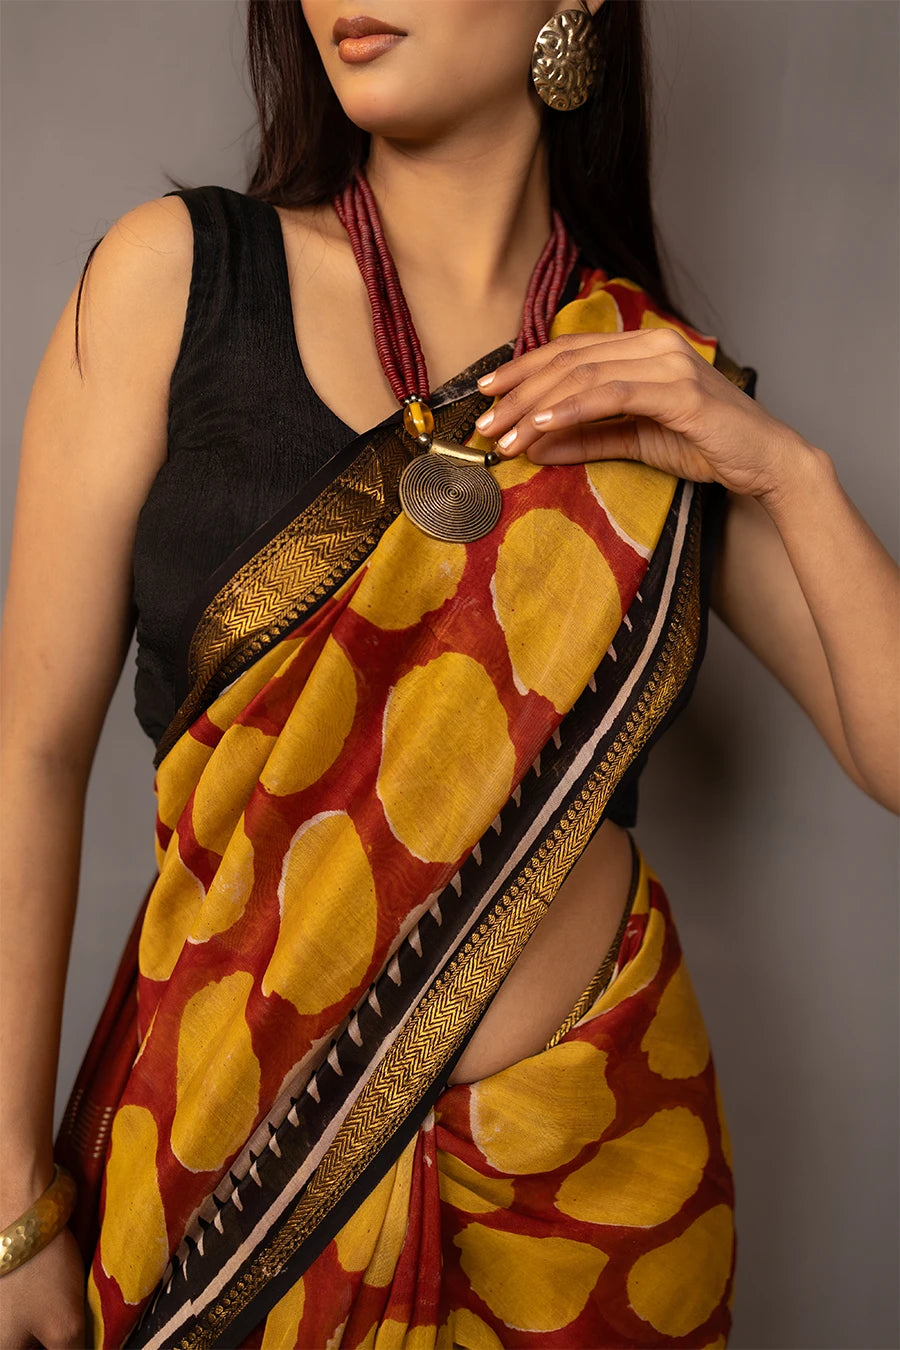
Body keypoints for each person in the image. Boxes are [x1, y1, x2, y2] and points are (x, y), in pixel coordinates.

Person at [1, 0, 897, 1346]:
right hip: (241, 1173)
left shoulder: (648, 384)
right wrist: (13, 1198)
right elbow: (31, 750)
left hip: (596, 1206)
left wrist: (790, 471)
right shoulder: (174, 280)